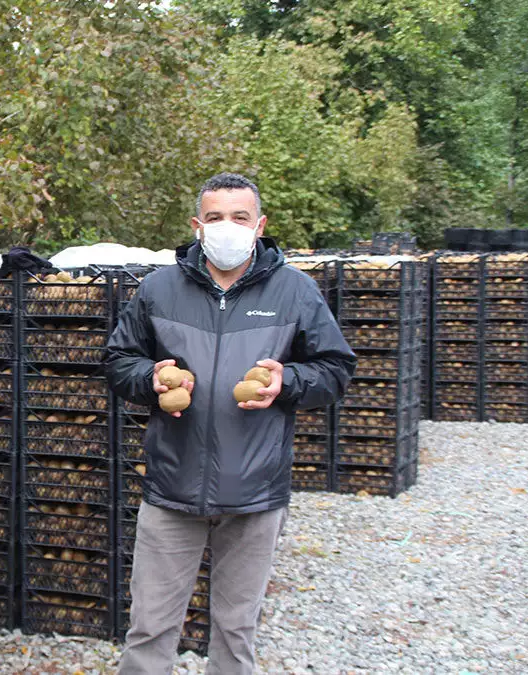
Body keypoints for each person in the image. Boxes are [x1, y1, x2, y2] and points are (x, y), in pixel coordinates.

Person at [104, 172, 356, 674]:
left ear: (259, 225)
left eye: (239, 217)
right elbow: (117, 361)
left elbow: (335, 369)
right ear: (197, 225)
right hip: (172, 486)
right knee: (150, 628)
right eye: (215, 217)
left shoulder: (295, 292)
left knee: (236, 632)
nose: (227, 227)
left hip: (255, 493)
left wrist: (288, 381)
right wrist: (148, 379)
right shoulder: (159, 289)